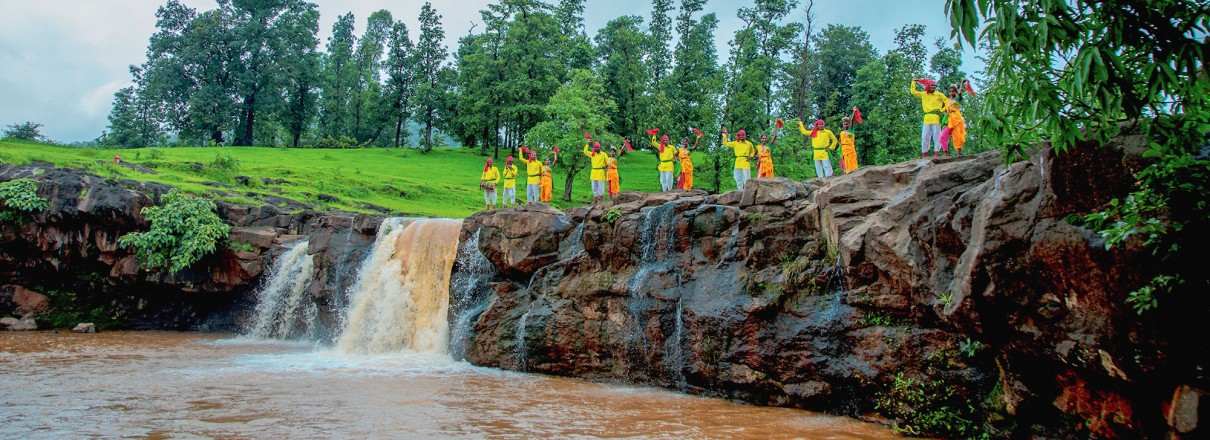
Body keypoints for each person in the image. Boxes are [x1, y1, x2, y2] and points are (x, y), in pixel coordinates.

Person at [910, 78, 951, 159]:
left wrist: (943, 109)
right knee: (925, 136)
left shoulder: (939, 94)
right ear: (928, 86)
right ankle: (924, 154)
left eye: (935, 86)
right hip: (926, 118)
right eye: (932, 86)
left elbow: (947, 101)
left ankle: (936, 153)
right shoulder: (924, 94)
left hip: (936, 117)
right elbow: (913, 92)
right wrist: (913, 82)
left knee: (937, 136)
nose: (934, 87)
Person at [940, 86, 968, 157]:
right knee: (943, 136)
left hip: (957, 119)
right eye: (950, 91)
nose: (951, 92)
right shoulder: (947, 100)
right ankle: (946, 153)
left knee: (957, 136)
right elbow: (944, 110)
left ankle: (959, 153)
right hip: (949, 120)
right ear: (949, 92)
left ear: (955, 92)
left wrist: (961, 85)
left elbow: (960, 95)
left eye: (953, 91)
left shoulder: (957, 99)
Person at [583, 136, 609, 204]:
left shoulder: (603, 154)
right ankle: (595, 200)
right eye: (595, 148)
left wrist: (606, 167)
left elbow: (608, 163)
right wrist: (587, 143)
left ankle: (600, 201)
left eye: (597, 148)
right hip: (593, 172)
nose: (596, 149)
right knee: (594, 187)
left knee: (601, 187)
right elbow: (585, 151)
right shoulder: (592, 154)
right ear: (594, 148)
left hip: (600, 172)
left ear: (599, 147)